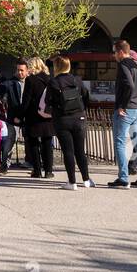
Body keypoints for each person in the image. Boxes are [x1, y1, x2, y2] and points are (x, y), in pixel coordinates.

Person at [46, 56, 92, 190]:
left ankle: (72, 182)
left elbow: (49, 101)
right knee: (80, 151)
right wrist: (82, 110)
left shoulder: (53, 82)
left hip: (62, 120)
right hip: (79, 118)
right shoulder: (77, 80)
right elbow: (86, 96)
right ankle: (86, 179)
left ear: (57, 67)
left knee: (68, 151)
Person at [109, 41, 137, 189]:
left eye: (114, 52)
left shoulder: (123, 65)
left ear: (120, 52)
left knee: (119, 143)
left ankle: (123, 178)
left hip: (126, 109)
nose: (114, 55)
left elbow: (129, 85)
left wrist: (122, 105)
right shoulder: (136, 65)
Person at [21, 57, 55, 178]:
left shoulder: (30, 80)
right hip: (48, 115)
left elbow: (26, 100)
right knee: (47, 142)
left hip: (34, 116)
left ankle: (37, 170)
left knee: (33, 143)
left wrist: (21, 115)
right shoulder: (50, 79)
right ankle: (49, 171)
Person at [0, 59, 28, 172]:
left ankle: (31, 161)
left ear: (27, 71)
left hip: (27, 115)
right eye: (18, 70)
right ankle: (4, 164)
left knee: (30, 139)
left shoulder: (30, 82)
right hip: (13, 116)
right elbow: (2, 88)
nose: (20, 73)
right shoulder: (11, 82)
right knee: (10, 140)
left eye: (22, 70)